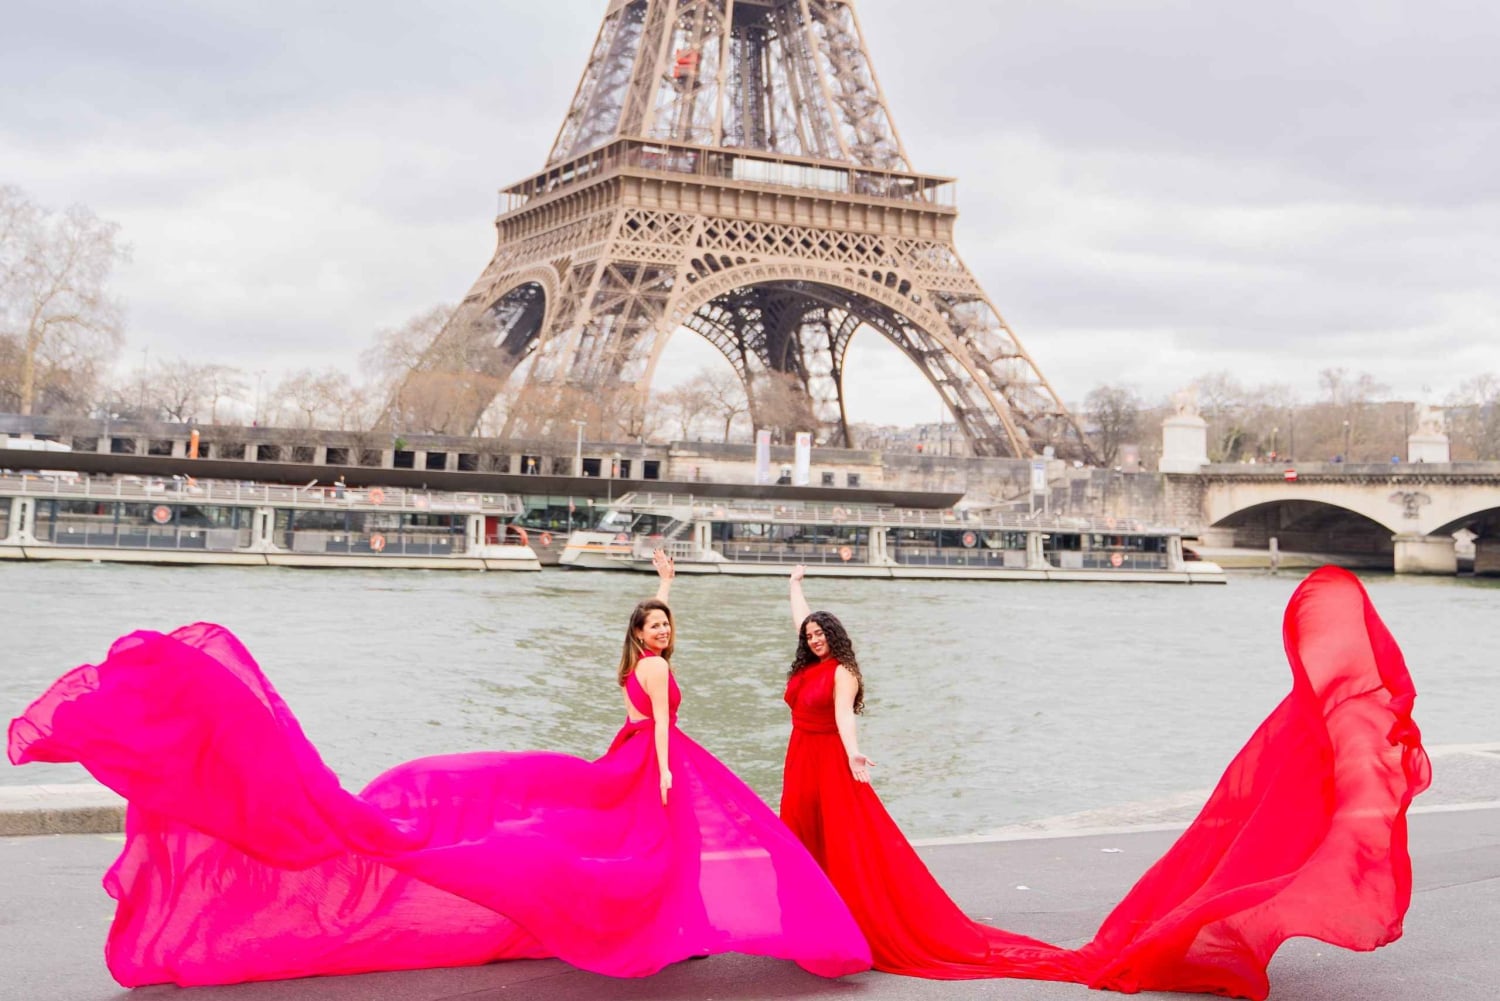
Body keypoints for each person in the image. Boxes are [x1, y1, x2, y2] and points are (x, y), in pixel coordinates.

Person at [4, 553, 870, 988]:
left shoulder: (643, 654)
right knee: (645, 848)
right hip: (650, 769)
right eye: (654, 627)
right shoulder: (651, 667)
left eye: (663, 627)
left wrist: (664, 582)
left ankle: (654, 925)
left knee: (601, 841)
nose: (661, 636)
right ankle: (657, 930)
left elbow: (649, 667)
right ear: (642, 639)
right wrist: (672, 776)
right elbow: (659, 713)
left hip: (629, 760)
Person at [778, 565, 1431, 998]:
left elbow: (843, 719)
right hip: (800, 769)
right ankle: (820, 919)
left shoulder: (839, 674)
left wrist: (858, 758)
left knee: (850, 854)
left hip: (832, 767)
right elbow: (801, 624)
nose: (810, 636)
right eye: (807, 632)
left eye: (818, 631)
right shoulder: (809, 656)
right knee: (815, 848)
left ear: (835, 640)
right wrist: (796, 587)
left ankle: (839, 924)